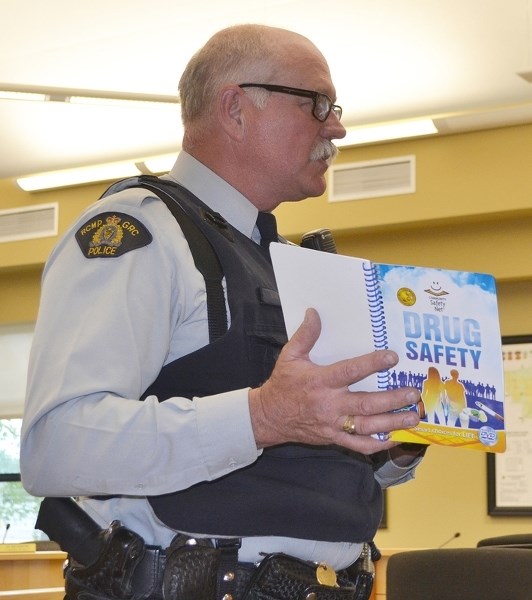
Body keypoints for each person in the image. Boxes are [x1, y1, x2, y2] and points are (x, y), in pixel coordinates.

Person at [21, 24, 426, 600]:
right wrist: (263, 415)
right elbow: (56, 445)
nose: (336, 126)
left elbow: (297, 465)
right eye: (316, 104)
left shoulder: (296, 266)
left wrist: (390, 441)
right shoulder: (142, 234)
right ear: (235, 108)